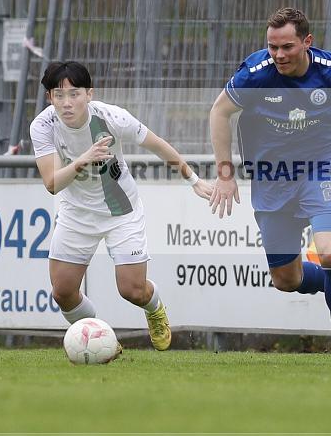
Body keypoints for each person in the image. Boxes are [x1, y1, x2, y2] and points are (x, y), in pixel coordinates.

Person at [209, 7, 331, 365]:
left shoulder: (330, 71)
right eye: (272, 47)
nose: (279, 55)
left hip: (320, 171)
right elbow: (219, 112)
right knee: (286, 279)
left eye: (287, 47)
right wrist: (225, 173)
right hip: (271, 180)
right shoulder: (255, 72)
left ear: (307, 42)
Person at [30, 61, 214, 353]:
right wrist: (82, 160)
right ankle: (99, 339)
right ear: (49, 98)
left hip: (121, 211)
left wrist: (193, 179)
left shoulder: (113, 117)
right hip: (76, 214)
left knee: (132, 290)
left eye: (74, 94)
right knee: (63, 292)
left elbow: (157, 145)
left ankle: (154, 309)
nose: (66, 103)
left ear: (89, 94)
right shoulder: (42, 126)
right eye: (58, 95)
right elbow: (52, 183)